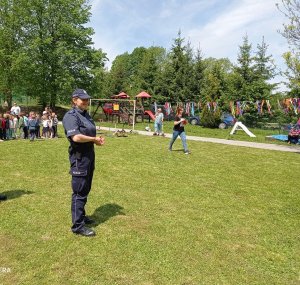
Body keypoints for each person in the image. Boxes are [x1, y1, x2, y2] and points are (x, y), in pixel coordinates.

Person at [63, 88, 105, 237]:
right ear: (75, 100)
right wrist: (93, 139)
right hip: (79, 158)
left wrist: (96, 141)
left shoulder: (85, 115)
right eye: (83, 99)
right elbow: (76, 137)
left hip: (89, 156)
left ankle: (81, 216)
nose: (86, 102)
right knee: (79, 191)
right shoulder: (70, 116)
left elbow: (88, 133)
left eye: (87, 99)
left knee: (85, 189)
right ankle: (77, 226)